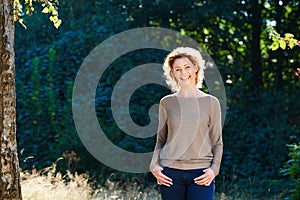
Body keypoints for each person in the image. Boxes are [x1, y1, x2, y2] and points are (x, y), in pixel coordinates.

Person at [150, 47, 223, 200]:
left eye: (187, 67)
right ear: (173, 73)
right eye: (178, 69)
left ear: (196, 68)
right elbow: (161, 140)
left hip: (201, 173)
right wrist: (154, 165)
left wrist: (213, 170)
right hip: (170, 173)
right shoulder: (166, 102)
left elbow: (217, 142)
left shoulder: (211, 102)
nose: (183, 73)